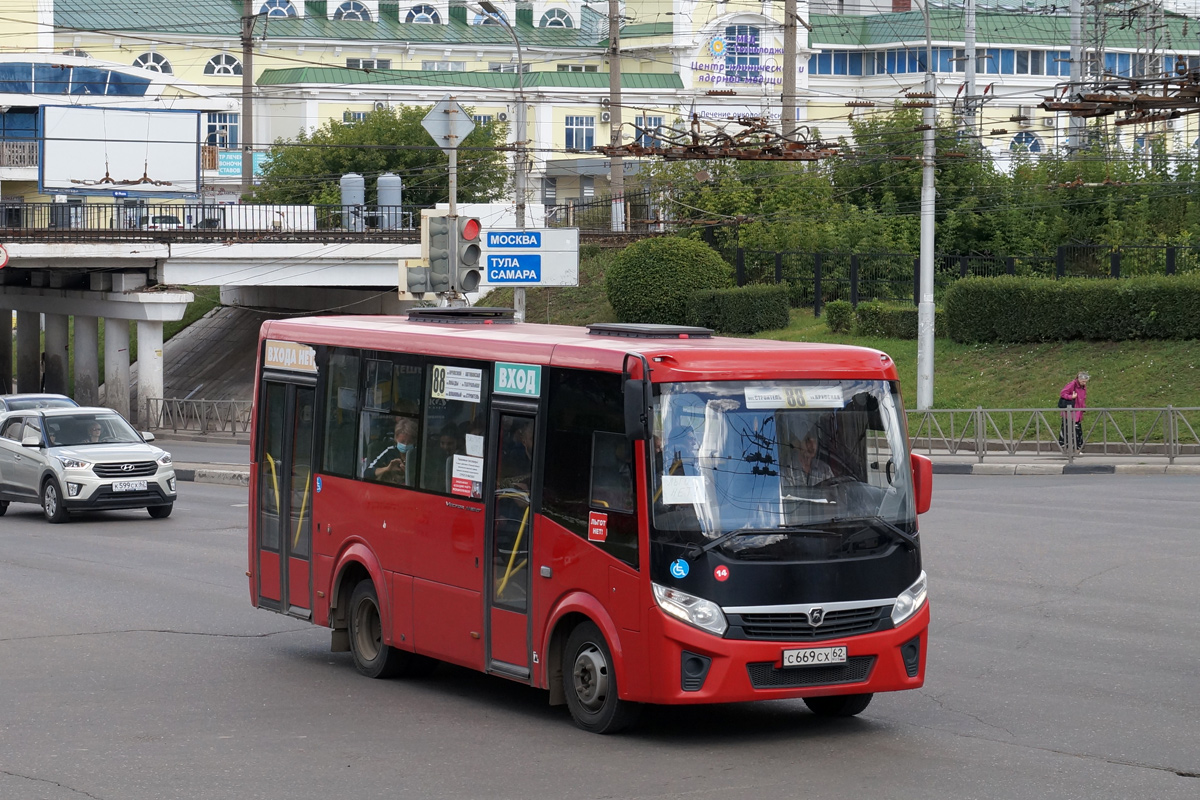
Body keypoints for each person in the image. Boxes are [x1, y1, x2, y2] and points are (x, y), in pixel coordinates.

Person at [369, 416, 418, 485]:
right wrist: (387, 469)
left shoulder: (419, 455)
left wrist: (408, 474)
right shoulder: (390, 451)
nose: (406, 445)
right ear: (396, 439)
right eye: (402, 441)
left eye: (409, 442)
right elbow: (368, 472)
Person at [1058, 371, 1090, 449]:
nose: (1084, 383)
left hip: (1077, 411)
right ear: (1079, 379)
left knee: (1077, 430)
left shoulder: (1083, 387)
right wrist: (1071, 397)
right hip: (1070, 412)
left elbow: (1082, 398)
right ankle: (1070, 448)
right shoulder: (1072, 384)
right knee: (1070, 430)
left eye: (1086, 382)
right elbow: (1062, 393)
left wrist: (1083, 407)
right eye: (1083, 381)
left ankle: (1077, 448)